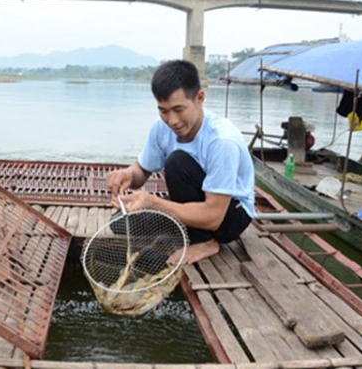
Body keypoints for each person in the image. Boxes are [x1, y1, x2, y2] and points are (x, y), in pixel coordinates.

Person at [107, 60, 255, 265]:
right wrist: (127, 175)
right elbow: (142, 169)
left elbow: (214, 215)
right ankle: (185, 226)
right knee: (120, 223)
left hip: (228, 215)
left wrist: (154, 203)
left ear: (200, 98)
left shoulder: (222, 141)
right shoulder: (161, 128)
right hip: (194, 199)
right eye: (164, 111)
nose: (172, 120)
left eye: (179, 109)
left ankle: (205, 241)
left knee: (177, 162)